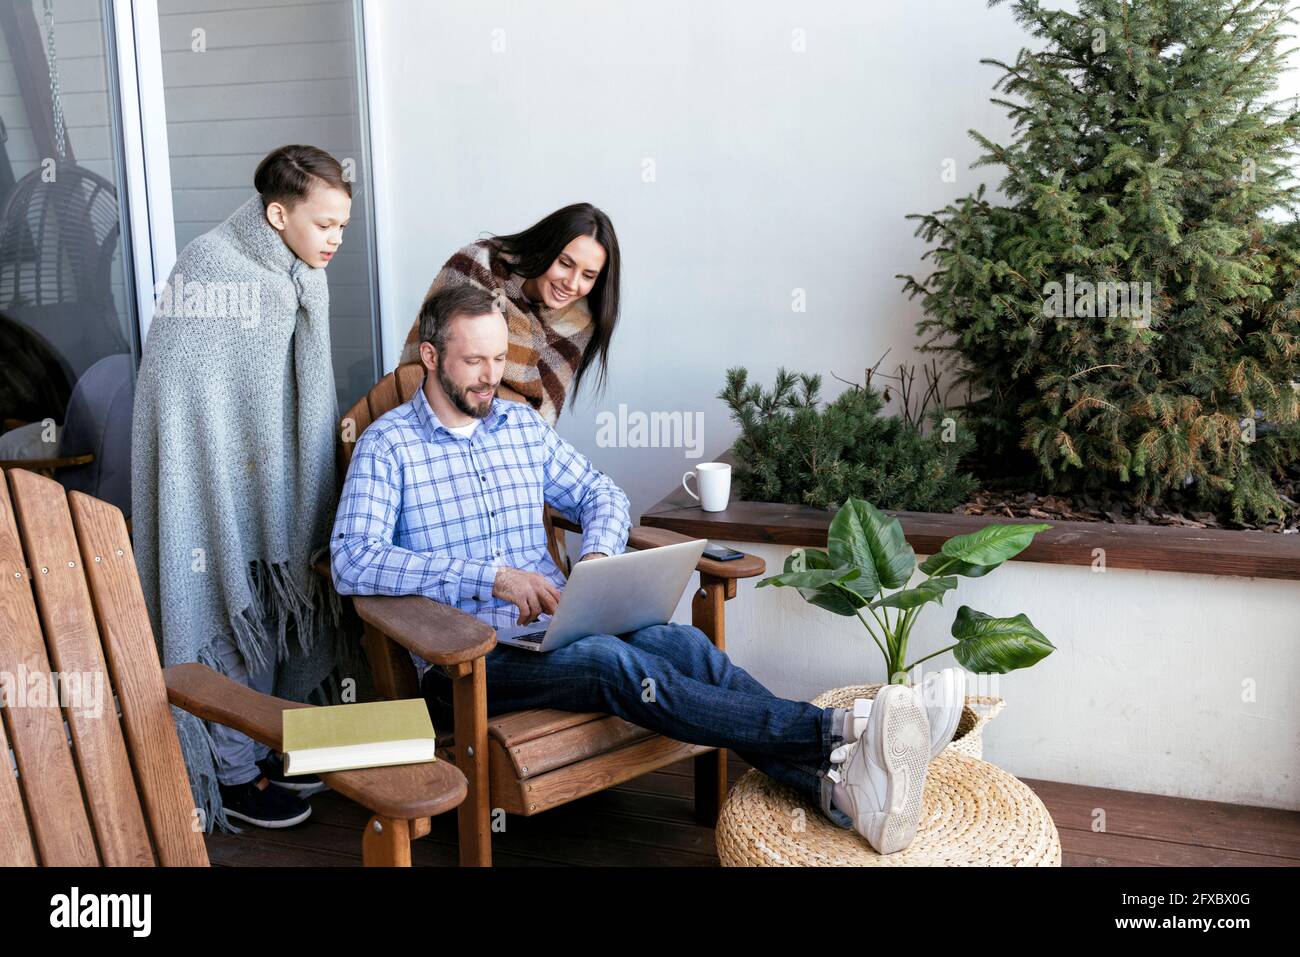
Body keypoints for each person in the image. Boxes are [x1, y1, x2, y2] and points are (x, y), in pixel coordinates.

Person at [331, 284, 967, 854]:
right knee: (616, 666)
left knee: (685, 645)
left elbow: (602, 494)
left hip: (557, 627)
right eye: (474, 360)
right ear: (431, 355)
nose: (491, 376)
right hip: (470, 658)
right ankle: (841, 730)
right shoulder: (388, 447)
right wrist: (490, 577)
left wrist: (600, 559)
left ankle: (842, 793)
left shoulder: (518, 427)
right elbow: (351, 560)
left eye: (500, 359)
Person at [132, 144, 356, 831]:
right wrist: (221, 485)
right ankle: (231, 773)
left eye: (344, 227)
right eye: (325, 225)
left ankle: (268, 744)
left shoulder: (297, 276)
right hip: (209, 488)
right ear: (278, 212)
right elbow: (179, 393)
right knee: (228, 605)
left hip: (270, 483)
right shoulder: (211, 266)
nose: (336, 241)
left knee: (268, 607)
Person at [396, 203, 621, 427]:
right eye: (564, 263)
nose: (572, 284)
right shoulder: (477, 266)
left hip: (507, 442)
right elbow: (431, 358)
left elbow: (540, 418)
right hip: (432, 421)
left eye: (588, 276)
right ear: (545, 248)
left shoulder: (578, 320)